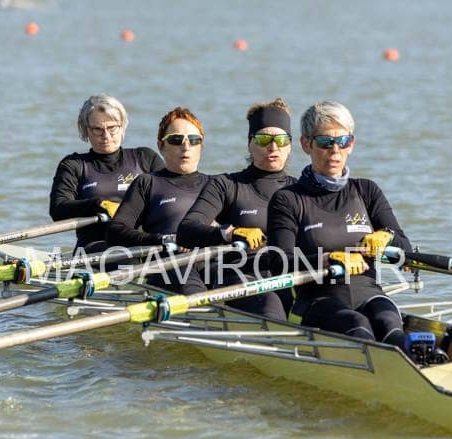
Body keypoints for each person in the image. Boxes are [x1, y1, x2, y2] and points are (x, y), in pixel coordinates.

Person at [267, 100, 412, 351]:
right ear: (306, 144)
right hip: (318, 300)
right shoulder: (288, 199)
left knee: (388, 322)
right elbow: (279, 263)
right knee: (357, 324)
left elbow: (405, 252)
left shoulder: (367, 191)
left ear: (351, 144)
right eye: (325, 142)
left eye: (343, 141)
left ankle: (416, 361)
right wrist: (329, 259)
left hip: (369, 293)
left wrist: (387, 236)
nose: (335, 150)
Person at [177, 97, 295, 320]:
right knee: (270, 302)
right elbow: (186, 230)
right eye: (263, 139)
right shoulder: (226, 185)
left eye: (281, 140)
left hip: (285, 273)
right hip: (236, 272)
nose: (273, 147)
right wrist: (230, 233)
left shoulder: (300, 191)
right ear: (250, 143)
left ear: (290, 145)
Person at [106, 107, 209, 294]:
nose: (186, 147)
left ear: (201, 146)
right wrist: (162, 239)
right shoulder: (148, 183)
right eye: (176, 139)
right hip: (170, 264)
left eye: (194, 140)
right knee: (193, 289)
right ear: (161, 146)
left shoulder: (217, 184)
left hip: (214, 260)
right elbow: (116, 231)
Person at [49, 94, 164, 252]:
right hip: (95, 248)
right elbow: (58, 209)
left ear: (122, 126)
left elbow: (172, 195)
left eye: (112, 128)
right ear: (85, 129)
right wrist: (97, 205)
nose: (106, 136)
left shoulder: (145, 158)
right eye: (97, 129)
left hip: (144, 244)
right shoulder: (74, 165)